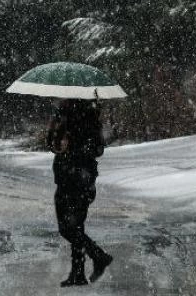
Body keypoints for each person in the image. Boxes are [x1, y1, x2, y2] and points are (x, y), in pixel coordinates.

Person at [46, 98, 113, 287]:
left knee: (68, 228)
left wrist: (74, 147)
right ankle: (78, 272)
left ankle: (97, 255)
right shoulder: (64, 115)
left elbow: (97, 149)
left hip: (78, 180)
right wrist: (53, 129)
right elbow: (52, 146)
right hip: (70, 179)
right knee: (75, 228)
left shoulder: (86, 117)